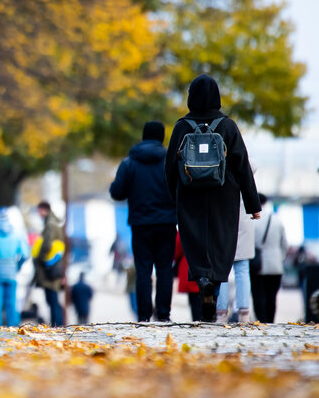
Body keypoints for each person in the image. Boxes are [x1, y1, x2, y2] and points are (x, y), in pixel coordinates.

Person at [165, 74, 261, 322]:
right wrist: (253, 205)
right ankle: (215, 285)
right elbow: (242, 165)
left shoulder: (181, 126)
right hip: (224, 196)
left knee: (195, 241)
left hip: (190, 195)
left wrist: (172, 198)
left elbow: (169, 167)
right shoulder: (228, 126)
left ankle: (203, 280)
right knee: (221, 241)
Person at [110, 121, 177, 322]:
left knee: (143, 270)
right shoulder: (171, 161)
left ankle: (144, 316)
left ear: (143, 136)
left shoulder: (129, 163)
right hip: (166, 223)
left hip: (140, 224)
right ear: (162, 137)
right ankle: (164, 315)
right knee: (165, 269)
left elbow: (117, 193)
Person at [250, 193, 288, 323]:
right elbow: (285, 244)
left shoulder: (252, 220)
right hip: (275, 265)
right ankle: (271, 321)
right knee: (272, 297)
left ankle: (261, 320)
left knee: (258, 295)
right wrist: (280, 257)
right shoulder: (276, 219)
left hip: (257, 265)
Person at [216, 200, 255, 323]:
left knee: (222, 273)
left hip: (222, 223)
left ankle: (221, 314)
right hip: (243, 222)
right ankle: (244, 313)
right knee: (242, 271)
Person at [33, 201, 65, 327]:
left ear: (43, 210)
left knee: (52, 299)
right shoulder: (53, 222)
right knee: (53, 299)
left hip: (49, 267)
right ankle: (57, 324)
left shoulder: (50, 224)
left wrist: (40, 257)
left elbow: (46, 244)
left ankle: (56, 326)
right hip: (54, 265)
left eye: (39, 211)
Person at [173, 232, 201, 321]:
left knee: (194, 300)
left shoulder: (185, 225)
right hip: (205, 264)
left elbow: (177, 247)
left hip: (189, 265)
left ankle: (196, 320)